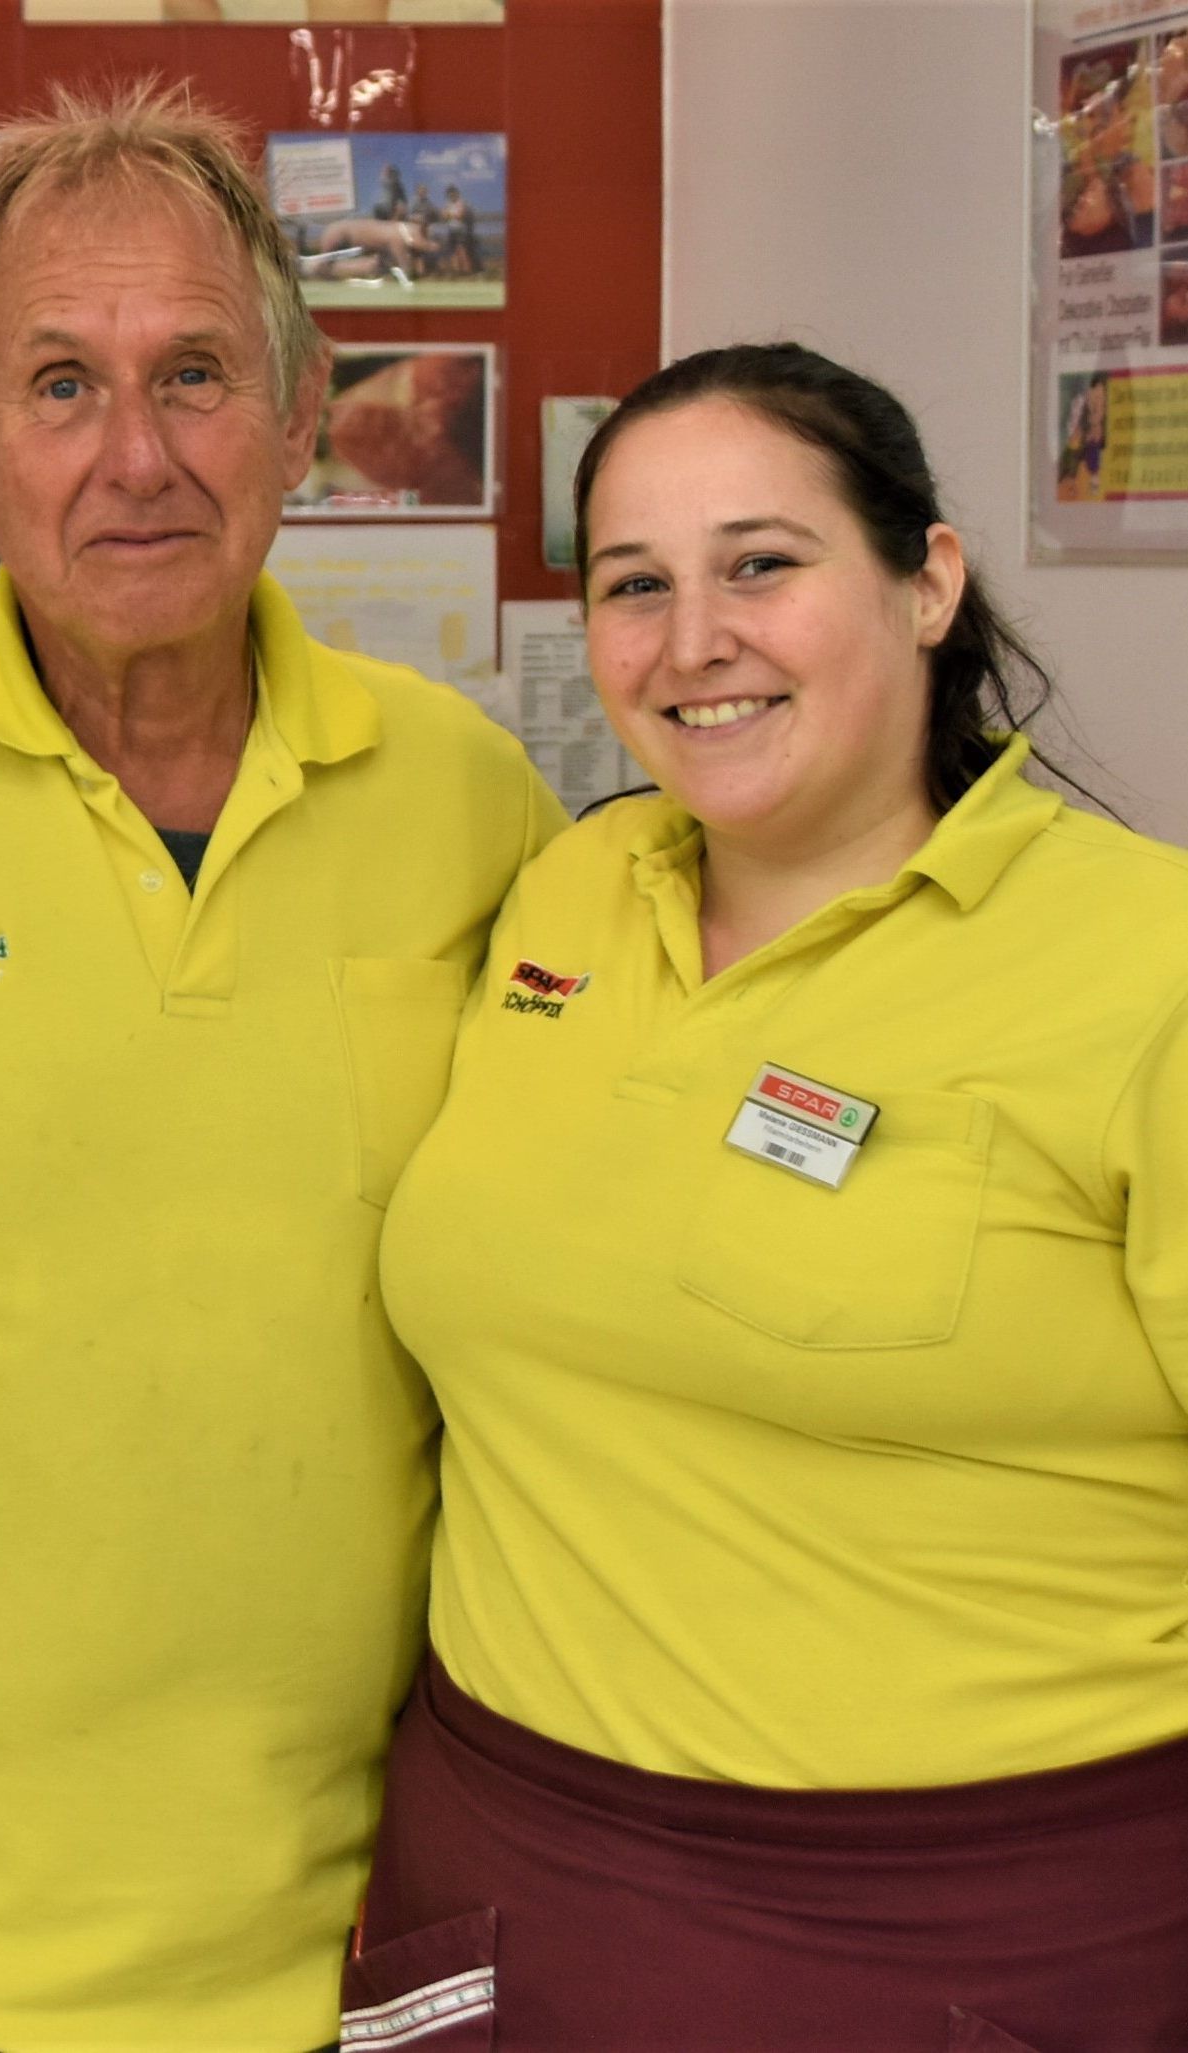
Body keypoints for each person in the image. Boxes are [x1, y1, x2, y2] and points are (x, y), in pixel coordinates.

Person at [0, 79, 558, 2053]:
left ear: (306, 413)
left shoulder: (471, 803)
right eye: (58, 385)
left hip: (367, 1943)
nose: (133, 457)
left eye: (196, 374)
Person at [350, 342, 1188, 2051]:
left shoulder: (1143, 968)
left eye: (760, 564)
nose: (691, 641)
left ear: (925, 580)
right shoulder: (566, 895)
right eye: (631, 585)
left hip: (969, 1921)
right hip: (505, 1875)